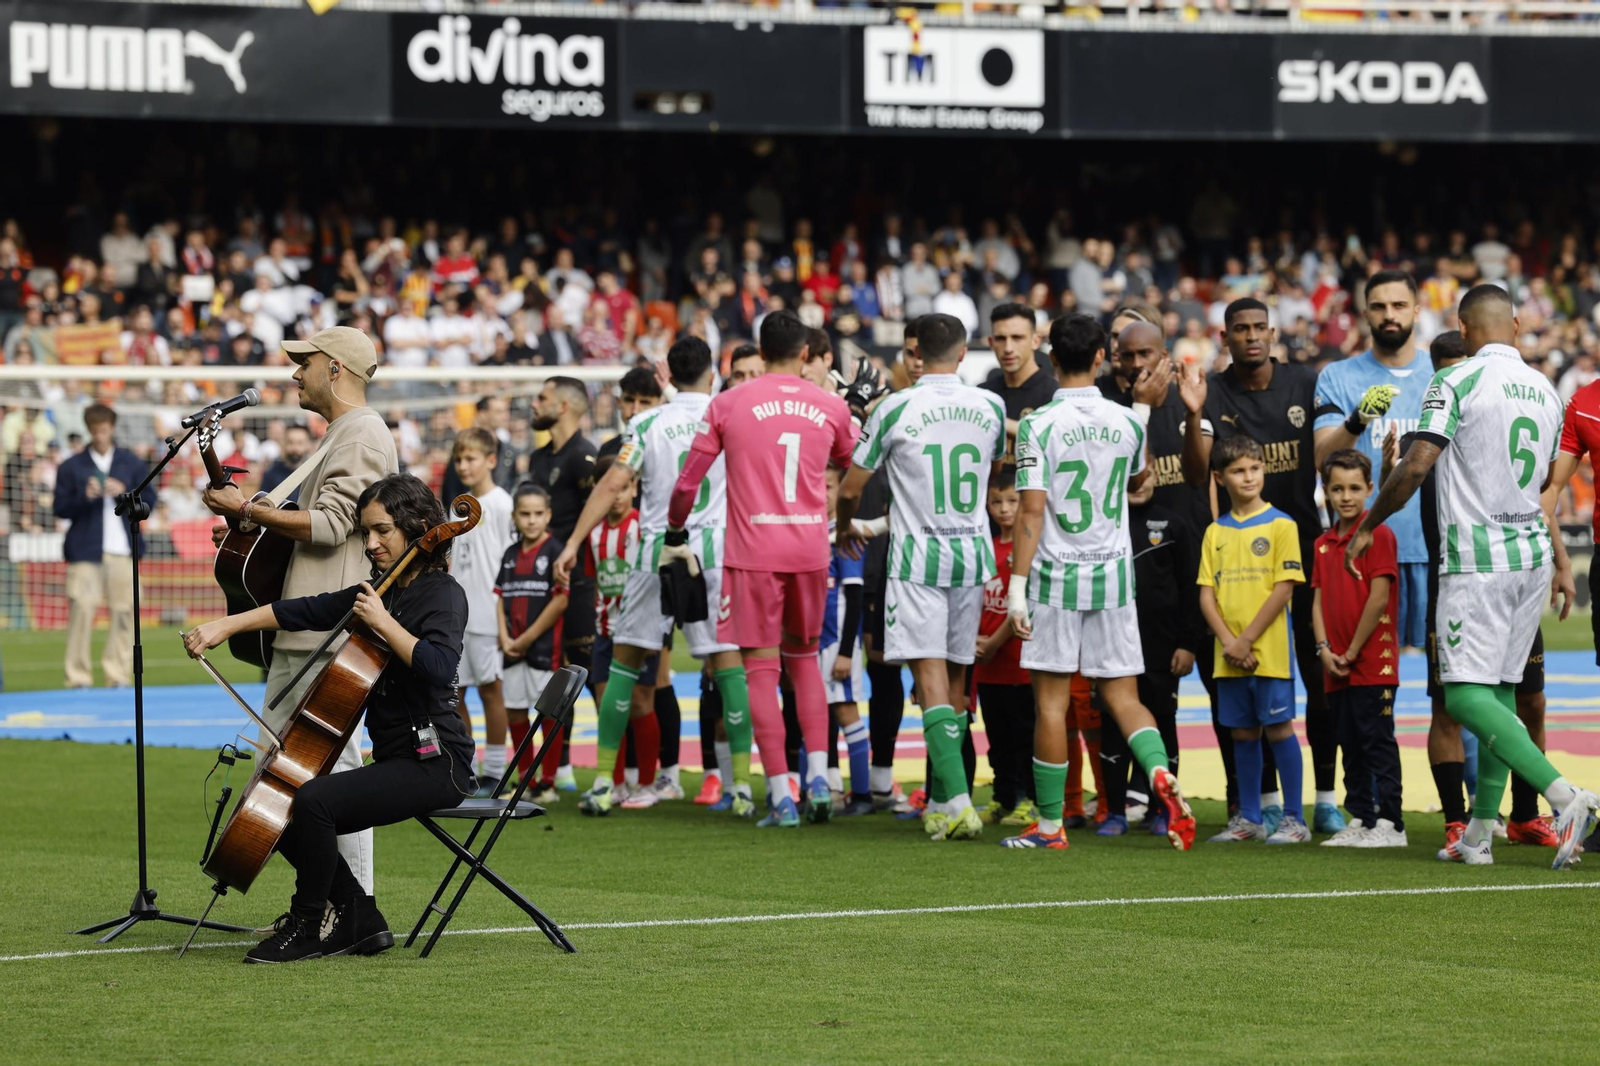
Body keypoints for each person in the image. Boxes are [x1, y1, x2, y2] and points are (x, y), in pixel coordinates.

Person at [1349, 284, 1594, 869]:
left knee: (1461, 695)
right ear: (1513, 324)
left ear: (1464, 326)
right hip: (1529, 555)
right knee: (1503, 693)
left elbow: (1416, 465)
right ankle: (1481, 834)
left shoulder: (1453, 381)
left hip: (1476, 561)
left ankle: (1566, 797)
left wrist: (1367, 522)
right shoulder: (1543, 387)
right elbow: (1547, 486)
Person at [183, 473, 473, 964]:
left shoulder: (441, 593)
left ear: (419, 527)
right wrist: (225, 624)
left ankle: (308, 922)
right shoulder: (379, 590)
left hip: (437, 764)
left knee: (314, 800)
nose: (372, 542)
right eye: (367, 532)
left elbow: (439, 666)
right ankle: (359, 914)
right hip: (398, 759)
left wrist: (383, 623)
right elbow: (305, 610)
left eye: (382, 530)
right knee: (282, 803)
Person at [200, 326, 397, 895]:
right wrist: (249, 529)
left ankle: (351, 906)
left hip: (323, 631)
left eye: (303, 363)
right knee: (302, 773)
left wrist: (249, 511)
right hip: (313, 626)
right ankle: (331, 902)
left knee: (326, 775)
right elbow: (317, 530)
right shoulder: (346, 433)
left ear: (334, 369)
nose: (294, 373)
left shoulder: (359, 435)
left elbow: (335, 526)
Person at [1002, 314, 1196, 852]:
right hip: (1114, 575)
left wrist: (1016, 589)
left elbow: (1031, 515)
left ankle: (1048, 828)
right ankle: (1159, 777)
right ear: (1099, 359)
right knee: (1124, 697)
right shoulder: (1127, 422)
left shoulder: (1038, 424)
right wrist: (1141, 411)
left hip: (1056, 579)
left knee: (1051, 705)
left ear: (1049, 358)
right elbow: (1138, 480)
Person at [666, 312, 855, 827]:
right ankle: (818, 774)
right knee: (805, 661)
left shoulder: (727, 403)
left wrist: (676, 528)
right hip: (811, 552)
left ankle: (781, 795)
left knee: (761, 671)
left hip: (752, 555)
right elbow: (850, 457)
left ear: (757, 350)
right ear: (805, 353)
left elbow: (687, 483)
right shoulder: (829, 404)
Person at [557, 337, 757, 817]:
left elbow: (614, 482)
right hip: (713, 551)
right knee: (727, 666)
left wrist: (572, 542)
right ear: (713, 372)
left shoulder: (646, 422)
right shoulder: (730, 413)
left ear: (667, 373)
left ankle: (604, 782)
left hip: (654, 551)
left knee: (625, 664)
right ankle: (744, 788)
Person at [837, 313, 1006, 842]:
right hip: (972, 554)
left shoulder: (894, 407)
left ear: (915, 357)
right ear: (962, 354)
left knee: (928, 676)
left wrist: (846, 527)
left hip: (917, 561)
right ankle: (942, 797)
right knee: (955, 679)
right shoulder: (991, 406)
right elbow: (992, 471)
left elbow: (849, 487)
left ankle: (957, 802)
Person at [1180, 297, 1343, 835]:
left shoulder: (1305, 383)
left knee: (1317, 681)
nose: (1250, 337)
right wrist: (1194, 411)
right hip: (1238, 561)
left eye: (1258, 328)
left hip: (1298, 551)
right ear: (1225, 337)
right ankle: (1261, 806)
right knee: (1244, 702)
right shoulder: (1215, 390)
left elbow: (1327, 450)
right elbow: (1197, 470)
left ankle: (1322, 797)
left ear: (1272, 333)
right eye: (1239, 330)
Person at [1198, 435, 1310, 845]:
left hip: (1269, 652)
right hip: (1229, 654)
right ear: (1219, 477)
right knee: (1242, 734)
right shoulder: (1215, 532)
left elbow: (1284, 588)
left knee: (1278, 729)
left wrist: (1245, 640)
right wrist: (1230, 643)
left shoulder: (1282, 524)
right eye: (1238, 470)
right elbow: (1206, 595)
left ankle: (1294, 820)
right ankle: (1249, 819)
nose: (1249, 477)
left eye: (1255, 468)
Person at [1311, 271, 1425, 655]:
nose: (1389, 314)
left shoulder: (1444, 375)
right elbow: (1322, 459)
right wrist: (1357, 419)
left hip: (1433, 549)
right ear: (1365, 314)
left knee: (1447, 689)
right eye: (1379, 307)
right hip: (1360, 556)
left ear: (1417, 310)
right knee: (1363, 687)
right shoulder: (1338, 377)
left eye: (1399, 305)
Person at [1096, 467, 1202, 838]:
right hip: (1111, 645)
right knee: (1112, 727)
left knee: (1163, 723)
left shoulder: (1174, 524)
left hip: (1161, 648)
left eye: (1144, 473)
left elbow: (1192, 587)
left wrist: (1188, 642)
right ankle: (1113, 812)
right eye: (1127, 473)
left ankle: (1162, 811)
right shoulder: (1102, 524)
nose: (1137, 483)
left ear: (1157, 474)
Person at [1312, 449, 1406, 848]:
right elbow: (1316, 600)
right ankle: (1364, 817)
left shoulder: (1378, 534)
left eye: (1354, 488)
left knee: (1377, 740)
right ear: (1326, 492)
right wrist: (1323, 650)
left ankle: (1391, 822)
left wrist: (1350, 651)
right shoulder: (1322, 543)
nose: (1346, 496)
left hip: (1371, 663)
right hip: (1336, 665)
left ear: (1370, 489)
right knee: (1348, 740)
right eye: (1337, 488)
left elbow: (1378, 599)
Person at [527, 375, 598, 790]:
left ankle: (619, 771)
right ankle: (562, 765)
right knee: (554, 677)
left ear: (565, 406)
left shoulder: (582, 458)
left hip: (582, 583)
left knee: (593, 673)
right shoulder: (539, 459)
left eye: (542, 397)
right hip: (545, 584)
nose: (534, 405)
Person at [52, 403, 156, 689]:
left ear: (112, 428)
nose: (100, 436)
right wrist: (84, 496)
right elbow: (60, 508)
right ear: (89, 430)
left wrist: (125, 494)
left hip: (124, 549)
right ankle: (77, 677)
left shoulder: (131, 463)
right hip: (85, 550)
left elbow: (150, 503)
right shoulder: (71, 466)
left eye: (104, 430)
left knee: (125, 612)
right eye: (95, 431)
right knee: (82, 611)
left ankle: (118, 674)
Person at [580, 454, 661, 807]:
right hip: (605, 632)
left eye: (625, 488)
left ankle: (646, 783)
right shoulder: (594, 533)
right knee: (604, 703)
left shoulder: (643, 527)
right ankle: (612, 784)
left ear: (635, 488)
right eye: (610, 489)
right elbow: (596, 580)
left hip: (639, 631)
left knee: (641, 703)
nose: (617, 496)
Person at [447, 427, 515, 795]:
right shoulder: (458, 504)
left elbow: (509, 560)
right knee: (454, 694)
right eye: (459, 459)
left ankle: (495, 769)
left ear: (490, 460)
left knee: (491, 690)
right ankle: (466, 766)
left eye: (470, 458)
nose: (464, 465)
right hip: (460, 612)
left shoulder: (503, 504)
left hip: (490, 613)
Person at [496, 484, 570, 801]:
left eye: (538, 514)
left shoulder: (555, 551)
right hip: (512, 650)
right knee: (515, 711)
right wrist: (504, 637)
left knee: (549, 714)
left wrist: (525, 638)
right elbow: (499, 598)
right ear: (515, 516)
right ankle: (526, 778)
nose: (531, 520)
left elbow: (560, 602)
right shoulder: (511, 554)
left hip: (542, 651)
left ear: (548, 515)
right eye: (525, 514)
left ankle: (548, 782)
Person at [974, 467, 1038, 827]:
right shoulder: (984, 546)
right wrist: (975, 641)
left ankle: (1029, 800)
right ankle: (1003, 797)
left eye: (1012, 500)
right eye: (996, 501)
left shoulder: (1028, 547)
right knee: (997, 738)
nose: (1004, 508)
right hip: (987, 665)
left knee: (1024, 734)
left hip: (1019, 662)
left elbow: (1026, 603)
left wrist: (995, 642)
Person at [821, 466, 872, 817]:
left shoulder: (845, 536)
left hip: (837, 642)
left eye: (827, 486)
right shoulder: (810, 532)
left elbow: (854, 599)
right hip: (813, 642)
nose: (820, 492)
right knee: (817, 712)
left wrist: (845, 652)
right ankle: (823, 787)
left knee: (846, 712)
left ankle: (864, 795)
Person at [980, 302, 1056, 449]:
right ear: (991, 342)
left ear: (1035, 341)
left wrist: (998, 422)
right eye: (1001, 339)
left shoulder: (1054, 396)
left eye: (1017, 338)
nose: (1008, 348)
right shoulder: (982, 396)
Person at [598, 367, 664, 460]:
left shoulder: (669, 448)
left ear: (659, 406)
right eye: (629, 401)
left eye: (645, 402)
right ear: (619, 402)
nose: (635, 410)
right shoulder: (607, 450)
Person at [260, 423, 313, 502]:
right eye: (290, 442)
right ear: (283, 444)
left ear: (307, 445)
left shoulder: (314, 475)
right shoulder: (271, 475)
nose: (295, 448)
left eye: (300, 443)